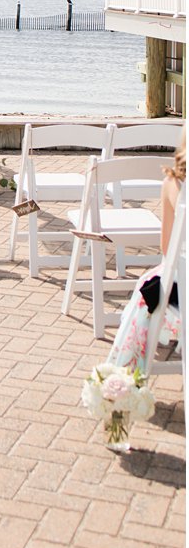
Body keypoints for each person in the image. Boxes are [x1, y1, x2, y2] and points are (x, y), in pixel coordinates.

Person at [102, 131, 184, 376]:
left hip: (184, 293)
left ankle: (126, 378)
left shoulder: (174, 183)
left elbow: (168, 248)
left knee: (146, 288)